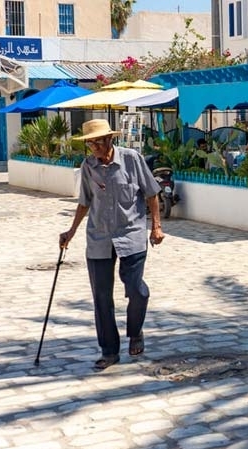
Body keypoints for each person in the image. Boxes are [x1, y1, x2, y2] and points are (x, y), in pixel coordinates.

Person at [58, 119, 164, 370]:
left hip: (132, 235)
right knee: (101, 297)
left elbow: (151, 193)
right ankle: (109, 350)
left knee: (136, 289)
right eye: (89, 142)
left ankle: (135, 331)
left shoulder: (132, 159)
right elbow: (84, 201)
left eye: (97, 141)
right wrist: (71, 231)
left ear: (110, 140)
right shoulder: (88, 166)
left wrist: (157, 227)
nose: (93, 146)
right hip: (99, 238)